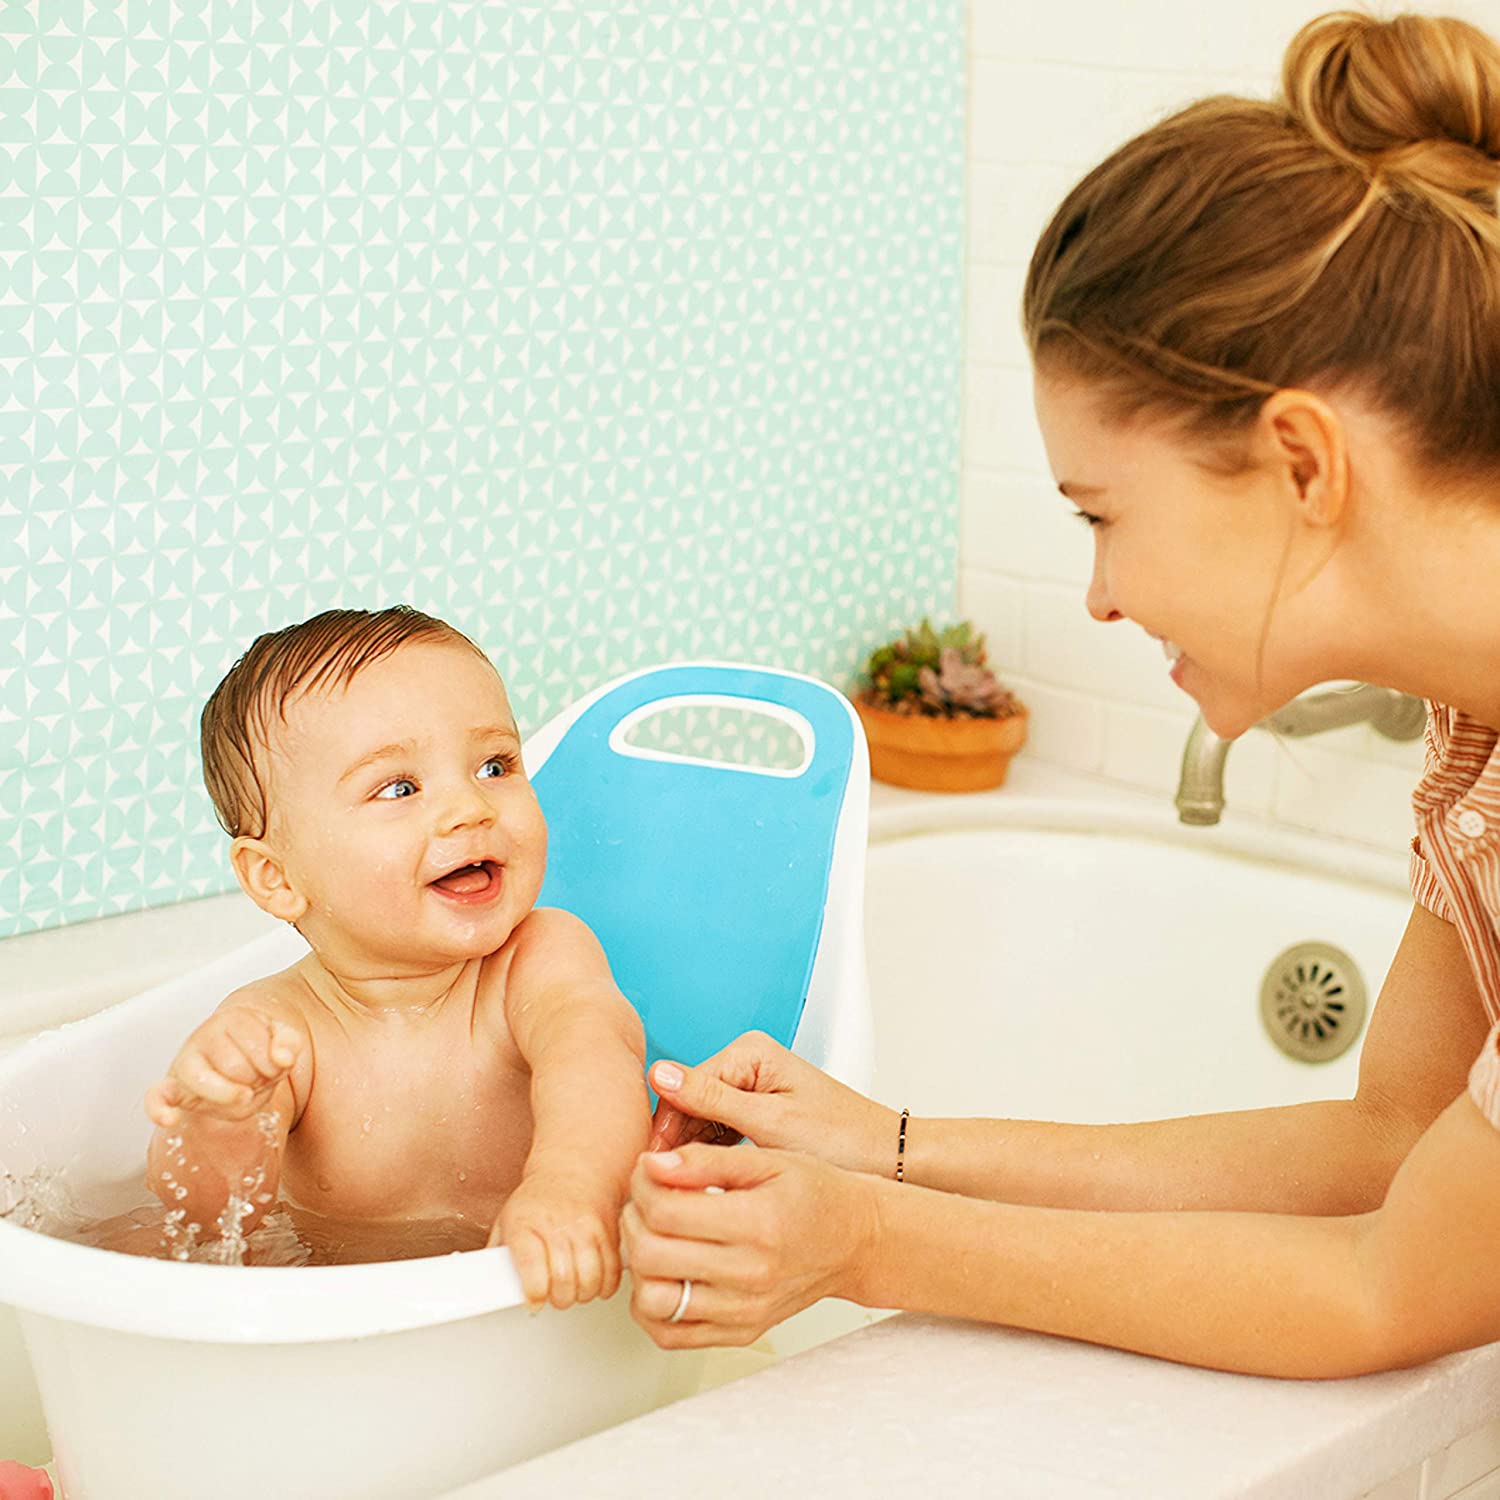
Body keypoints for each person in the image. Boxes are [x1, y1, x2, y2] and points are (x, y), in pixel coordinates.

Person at [618, 9, 1500, 1378]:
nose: (1098, 595)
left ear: (1303, 466)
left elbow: (1390, 1285)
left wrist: (865, 1241)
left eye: (1103, 514)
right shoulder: (1476, 727)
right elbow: (1392, 1141)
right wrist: (887, 1146)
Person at [143, 605, 649, 1307]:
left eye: (495, 765)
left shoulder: (539, 959)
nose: (470, 807)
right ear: (277, 878)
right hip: (342, 1309)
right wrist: (218, 1124)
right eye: (400, 788)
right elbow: (209, 1225)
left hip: (533, 1289)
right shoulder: (275, 1028)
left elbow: (596, 1061)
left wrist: (570, 1186)